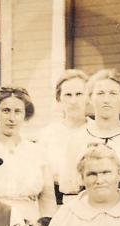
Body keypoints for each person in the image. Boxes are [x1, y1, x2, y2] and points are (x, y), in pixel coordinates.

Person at [59, 69, 120, 199]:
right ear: (90, 98)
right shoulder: (76, 140)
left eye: (113, 93)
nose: (106, 99)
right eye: (100, 93)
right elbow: (69, 189)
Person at [0, 86, 57, 222]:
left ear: (25, 115)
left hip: (29, 225)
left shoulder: (38, 152)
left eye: (18, 111)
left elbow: (47, 199)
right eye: (6, 111)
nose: (12, 118)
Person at [37, 69, 89, 205]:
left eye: (79, 94)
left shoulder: (96, 132)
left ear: (88, 97)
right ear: (59, 99)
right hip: (56, 204)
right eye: (68, 95)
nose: (73, 101)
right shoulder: (47, 135)